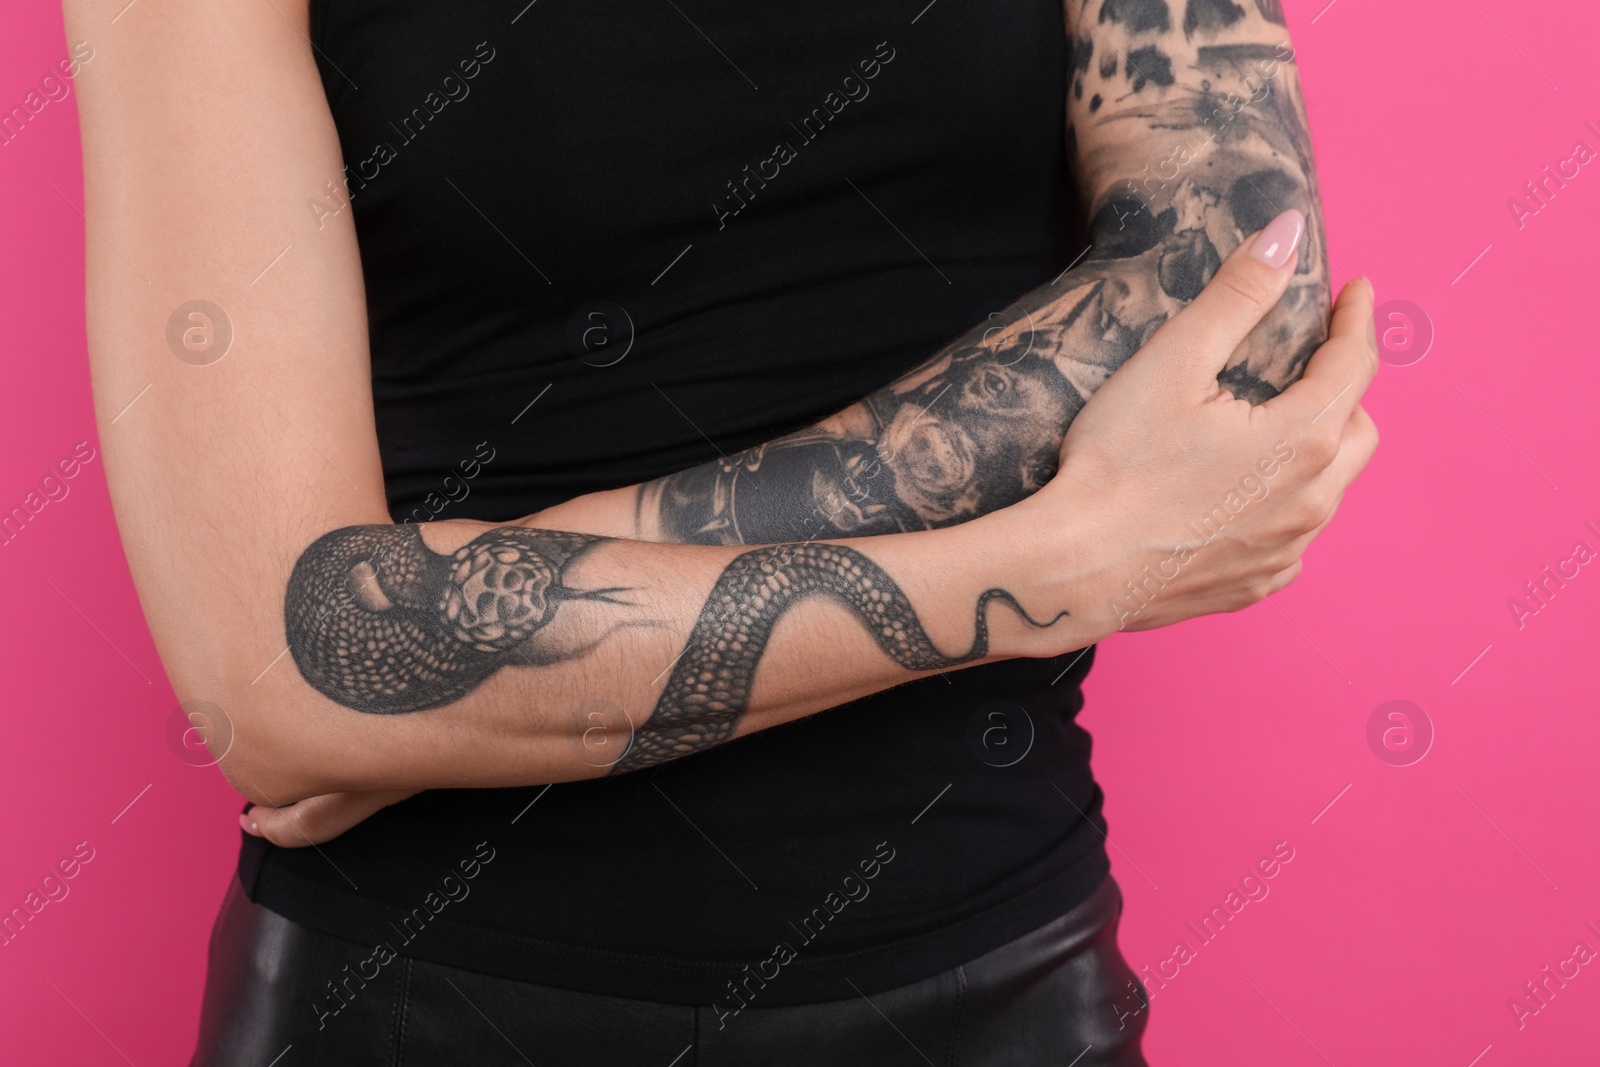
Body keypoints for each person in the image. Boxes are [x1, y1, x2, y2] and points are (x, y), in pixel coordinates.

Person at [67, 0, 1377, 1062]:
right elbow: (276, 660)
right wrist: (1048, 568)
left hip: (997, 984)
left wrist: (469, 613)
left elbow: (1233, 312)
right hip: (420, 1004)